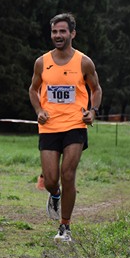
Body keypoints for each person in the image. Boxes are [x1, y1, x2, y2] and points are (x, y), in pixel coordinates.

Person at [28, 12, 102, 243]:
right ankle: (55, 195)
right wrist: (39, 111)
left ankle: (65, 227)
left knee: (67, 174)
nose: (58, 35)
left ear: (72, 33)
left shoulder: (84, 62)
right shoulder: (42, 62)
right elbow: (33, 89)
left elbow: (96, 89)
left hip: (75, 125)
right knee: (51, 180)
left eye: (62, 31)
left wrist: (93, 111)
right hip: (49, 126)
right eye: (54, 31)